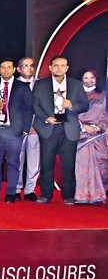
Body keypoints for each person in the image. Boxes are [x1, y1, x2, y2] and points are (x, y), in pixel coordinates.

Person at [32, 56, 88, 205]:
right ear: (50, 68)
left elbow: (84, 105)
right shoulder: (40, 85)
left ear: (67, 68)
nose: (59, 68)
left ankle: (68, 196)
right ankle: (45, 194)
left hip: (68, 128)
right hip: (49, 128)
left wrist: (72, 106)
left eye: (62, 65)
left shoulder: (76, 85)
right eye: (56, 65)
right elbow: (35, 106)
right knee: (46, 163)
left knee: (68, 164)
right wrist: (46, 118)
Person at [0, 59, 34, 203]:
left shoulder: (23, 87)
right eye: (3, 68)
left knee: (14, 163)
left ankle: (11, 193)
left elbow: (28, 109)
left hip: (15, 132)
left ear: (14, 70)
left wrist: (25, 130)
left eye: (9, 67)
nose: (6, 70)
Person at [74, 70, 107, 205]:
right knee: (81, 165)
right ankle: (82, 196)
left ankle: (98, 195)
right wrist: (84, 126)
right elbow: (71, 114)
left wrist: (98, 127)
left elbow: (105, 114)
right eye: (86, 78)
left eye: (92, 77)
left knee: (100, 165)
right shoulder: (75, 96)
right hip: (81, 134)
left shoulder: (103, 96)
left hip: (99, 136)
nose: (89, 80)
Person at [15, 57, 40, 201]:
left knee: (34, 160)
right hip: (18, 128)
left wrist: (35, 125)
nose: (29, 68)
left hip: (36, 127)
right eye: (25, 66)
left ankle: (30, 190)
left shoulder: (41, 85)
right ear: (19, 69)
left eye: (31, 65)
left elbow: (44, 106)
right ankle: (17, 188)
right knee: (17, 159)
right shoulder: (13, 85)